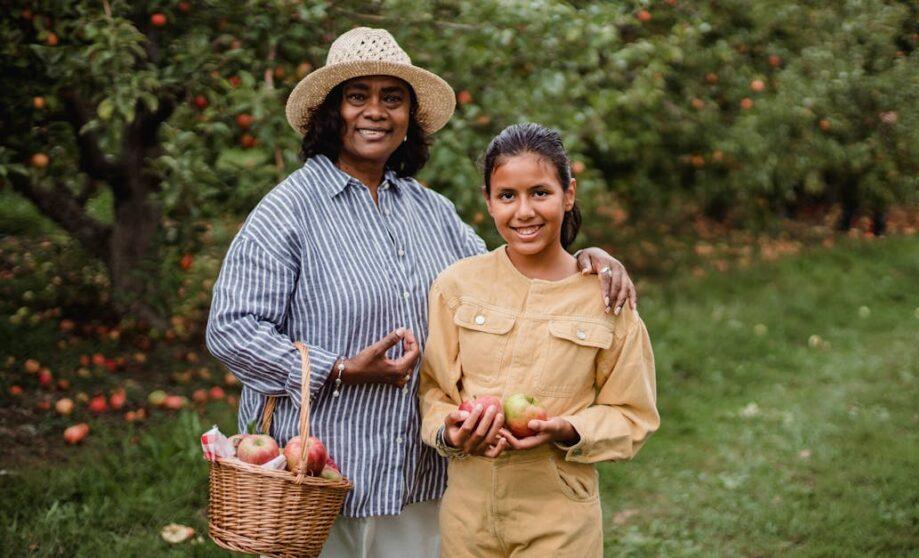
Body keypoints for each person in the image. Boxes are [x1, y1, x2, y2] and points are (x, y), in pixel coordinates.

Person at [205, 28, 636, 558]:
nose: (375, 111)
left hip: (420, 468)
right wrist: (338, 369)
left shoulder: (431, 211)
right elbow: (230, 329)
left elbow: (512, 269)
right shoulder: (288, 210)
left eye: (393, 98)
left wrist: (587, 258)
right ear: (329, 112)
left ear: (410, 116)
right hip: (322, 474)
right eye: (357, 96)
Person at [419, 123, 659, 557]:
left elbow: (632, 414)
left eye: (540, 193)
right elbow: (434, 389)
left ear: (568, 195)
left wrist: (568, 429)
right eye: (507, 196)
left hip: (560, 516)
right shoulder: (457, 286)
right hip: (467, 514)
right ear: (488, 203)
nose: (524, 211)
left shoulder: (604, 297)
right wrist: (452, 432)